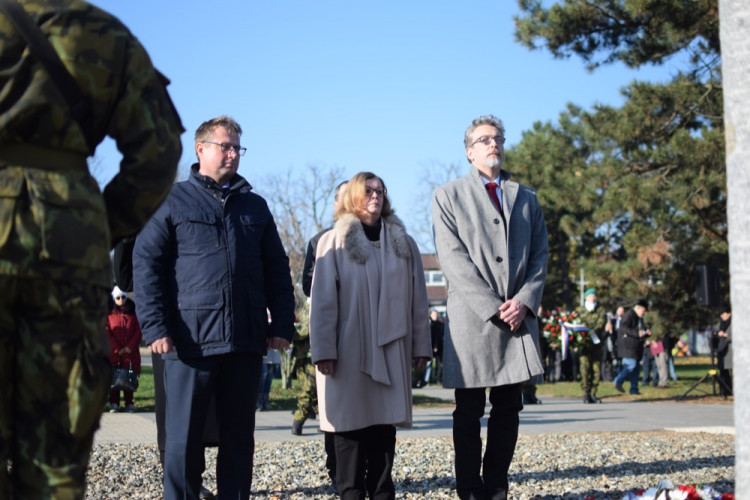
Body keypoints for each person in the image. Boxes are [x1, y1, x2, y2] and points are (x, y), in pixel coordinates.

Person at [0, 1, 182, 496]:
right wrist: (96, 225)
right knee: (58, 442)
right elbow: (159, 150)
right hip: (67, 239)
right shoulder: (98, 28)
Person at [133, 116, 295, 499]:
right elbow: (147, 264)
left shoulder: (255, 206)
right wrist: (154, 326)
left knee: (239, 440)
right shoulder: (171, 200)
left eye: (238, 147)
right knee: (183, 441)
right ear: (200, 148)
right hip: (191, 343)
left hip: (245, 340)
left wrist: (282, 324)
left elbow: (276, 267)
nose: (233, 154)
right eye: (225, 146)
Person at [432, 115, 548, 500]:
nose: (493, 144)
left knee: (508, 409)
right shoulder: (447, 196)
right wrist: (493, 306)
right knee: (468, 411)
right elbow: (452, 260)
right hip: (472, 318)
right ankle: (469, 488)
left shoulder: (526, 197)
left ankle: (497, 485)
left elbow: (540, 256)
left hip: (517, 319)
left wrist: (525, 302)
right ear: (469, 152)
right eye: (484, 140)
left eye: (497, 138)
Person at [310, 171, 431, 499]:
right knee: (349, 430)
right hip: (347, 351)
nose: (376, 195)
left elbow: (418, 300)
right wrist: (323, 351)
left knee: (382, 431)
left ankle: (381, 493)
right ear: (352, 196)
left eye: (380, 191)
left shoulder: (403, 243)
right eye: (368, 190)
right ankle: (349, 492)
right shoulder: (333, 241)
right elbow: (322, 304)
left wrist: (422, 345)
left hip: (391, 351)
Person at [292, 181, 348, 492]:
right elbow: (308, 287)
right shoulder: (320, 240)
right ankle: (337, 469)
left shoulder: (378, 238)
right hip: (332, 333)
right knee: (332, 406)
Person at [106, 286, 142, 413]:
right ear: (113, 299)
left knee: (129, 377)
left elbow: (138, 331)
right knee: (114, 378)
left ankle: (129, 403)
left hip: (130, 354)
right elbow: (107, 332)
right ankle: (114, 402)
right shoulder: (109, 314)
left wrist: (130, 347)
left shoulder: (133, 313)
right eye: (118, 298)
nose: (121, 300)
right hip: (115, 354)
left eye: (123, 297)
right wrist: (117, 348)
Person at [574, 288, 612, 403]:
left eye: (594, 295)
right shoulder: (579, 310)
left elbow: (601, 324)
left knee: (596, 369)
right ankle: (586, 393)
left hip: (596, 344)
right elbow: (575, 325)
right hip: (583, 345)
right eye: (590, 295)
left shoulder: (600, 310)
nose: (593, 297)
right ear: (586, 297)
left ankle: (593, 393)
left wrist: (591, 331)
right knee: (584, 369)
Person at [613, 300, 650, 395]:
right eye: (643, 310)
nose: (644, 313)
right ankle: (618, 380)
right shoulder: (629, 315)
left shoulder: (639, 318)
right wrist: (636, 333)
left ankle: (634, 389)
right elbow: (624, 328)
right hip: (628, 346)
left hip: (636, 347)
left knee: (636, 369)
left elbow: (640, 330)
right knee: (631, 365)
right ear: (638, 308)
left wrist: (646, 333)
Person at [715, 303, 732, 396]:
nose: (722, 316)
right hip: (722, 351)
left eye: (723, 313)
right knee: (723, 372)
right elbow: (716, 332)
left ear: (729, 313)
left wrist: (726, 335)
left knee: (733, 372)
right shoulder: (720, 323)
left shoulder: (734, 323)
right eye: (721, 314)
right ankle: (725, 391)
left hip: (731, 351)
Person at [423, 309, 445, 386]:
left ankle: (438, 379)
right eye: (433, 314)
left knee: (439, 364)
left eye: (436, 314)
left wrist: (436, 345)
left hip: (439, 347)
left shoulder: (440, 325)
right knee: (428, 364)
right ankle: (426, 380)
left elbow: (439, 336)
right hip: (430, 347)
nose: (435, 316)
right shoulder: (428, 324)